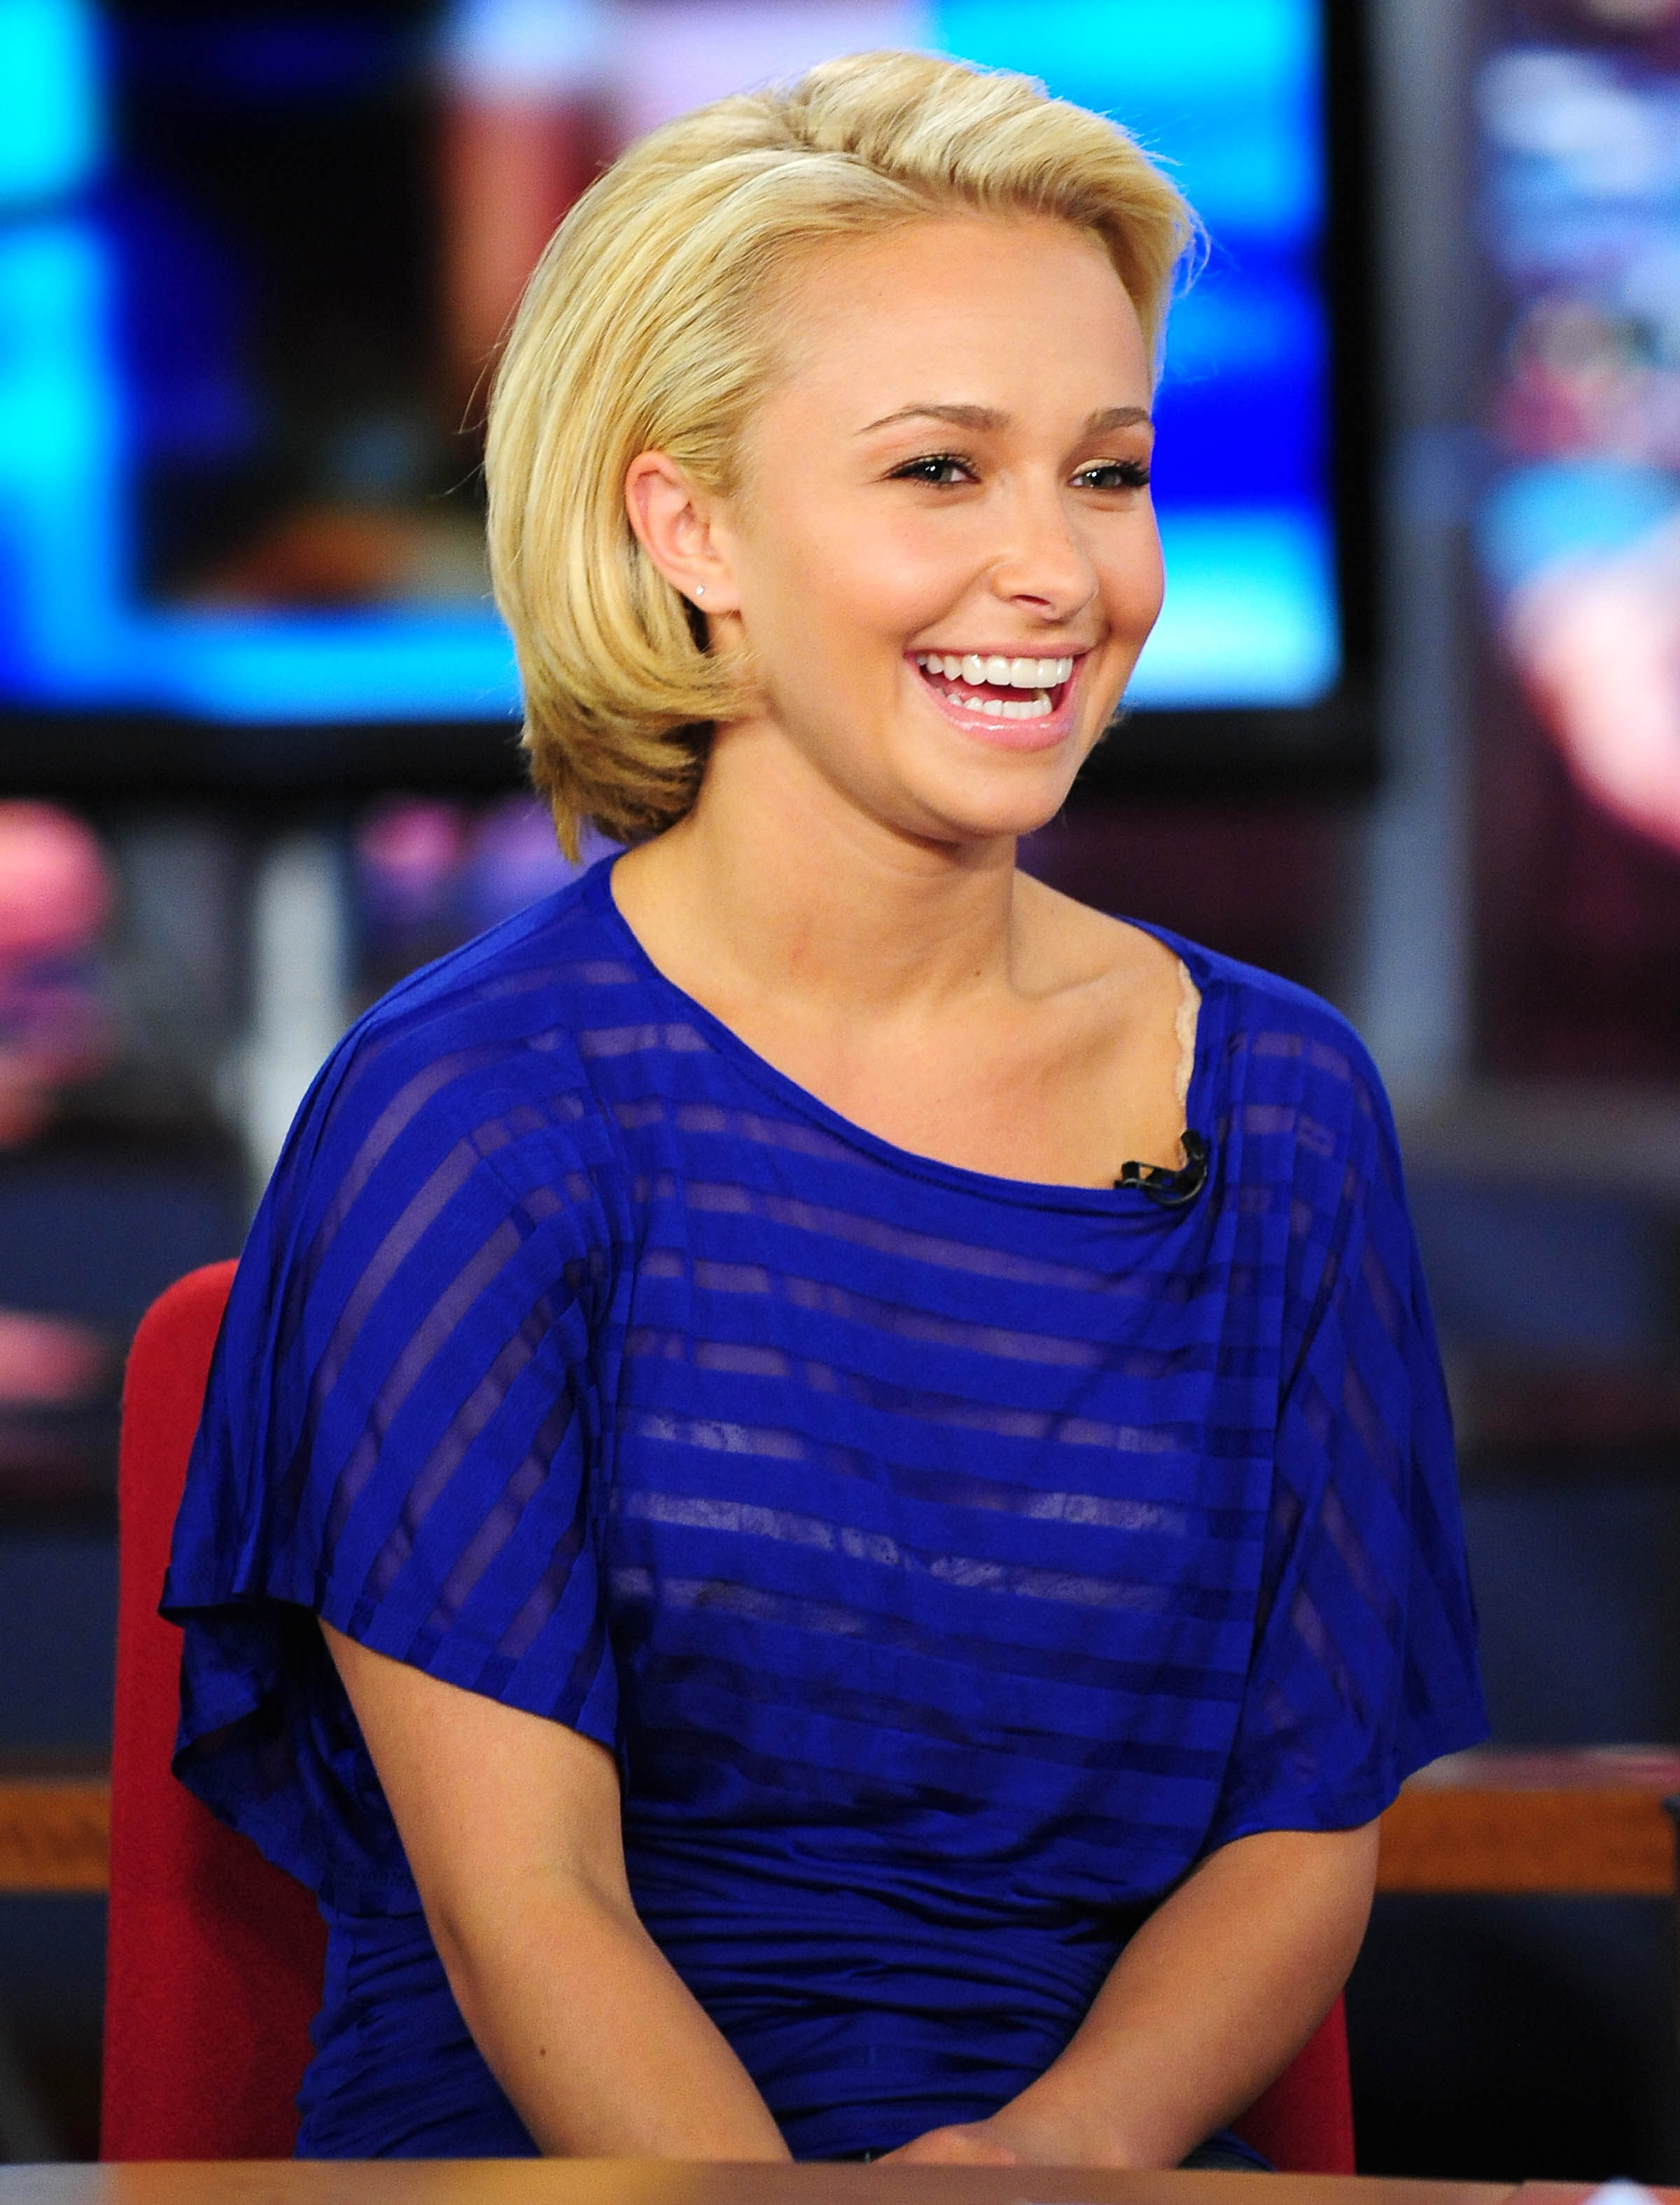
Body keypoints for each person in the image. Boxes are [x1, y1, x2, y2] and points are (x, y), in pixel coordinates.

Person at [164, 50, 1486, 2166]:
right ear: (688, 524)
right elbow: (528, 1909)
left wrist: (1038, 2167)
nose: (1059, 572)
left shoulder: (1288, 1109)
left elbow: (1299, 1837)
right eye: (940, 471)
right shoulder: (469, 1107)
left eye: (1107, 472)